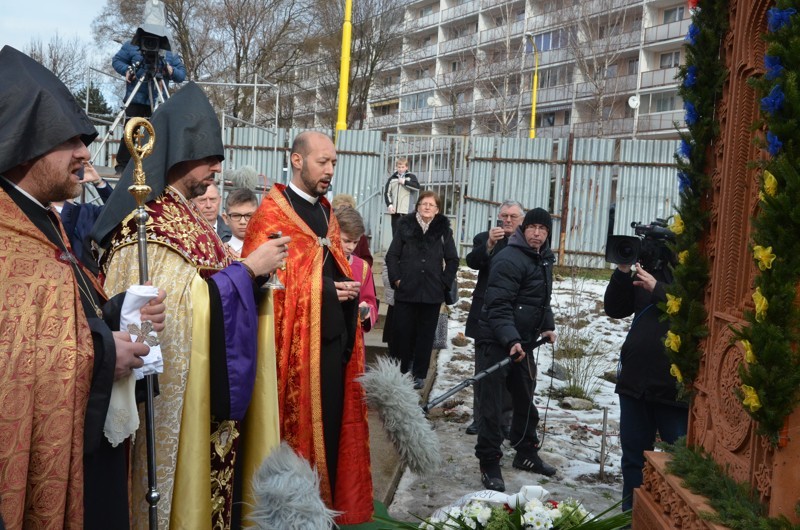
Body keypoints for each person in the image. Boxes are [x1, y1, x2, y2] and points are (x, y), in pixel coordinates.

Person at [91, 82, 289, 529]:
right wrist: (248, 270)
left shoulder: (185, 215)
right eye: (208, 158)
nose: (216, 168)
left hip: (212, 399)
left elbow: (209, 286)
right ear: (181, 153)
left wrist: (251, 277)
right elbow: (177, 309)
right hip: (172, 407)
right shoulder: (148, 223)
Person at [0, 45, 166, 529]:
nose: (85, 153)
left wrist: (119, 313)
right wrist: (102, 352)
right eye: (69, 140)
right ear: (24, 144)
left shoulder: (40, 218)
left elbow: (58, 318)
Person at [243, 131, 374, 526]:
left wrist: (343, 290)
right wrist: (326, 291)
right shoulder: (271, 216)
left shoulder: (327, 214)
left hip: (332, 350)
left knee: (332, 438)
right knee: (297, 448)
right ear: (297, 160)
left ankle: (326, 514)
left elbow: (327, 267)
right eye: (322, 162)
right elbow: (267, 290)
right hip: (295, 361)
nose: (329, 170)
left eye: (333, 162)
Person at [475, 207, 558, 492]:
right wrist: (511, 340)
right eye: (533, 227)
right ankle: (489, 462)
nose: (537, 233)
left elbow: (541, 299)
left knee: (525, 398)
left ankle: (526, 453)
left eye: (543, 229)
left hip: (523, 342)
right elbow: (498, 305)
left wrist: (547, 325)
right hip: (497, 341)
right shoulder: (509, 257)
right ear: (524, 229)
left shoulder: (543, 258)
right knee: (492, 406)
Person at [604, 251, 687, 513]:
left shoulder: (696, 270)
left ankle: (672, 519)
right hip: (635, 380)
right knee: (633, 458)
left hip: (673, 386)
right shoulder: (647, 269)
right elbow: (615, 308)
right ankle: (630, 518)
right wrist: (622, 272)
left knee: (679, 460)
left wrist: (658, 289)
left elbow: (699, 308)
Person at [385, 190, 459, 389]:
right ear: (417, 206)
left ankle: (419, 373)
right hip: (406, 291)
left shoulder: (443, 231)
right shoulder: (405, 226)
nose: (427, 207)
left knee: (425, 336)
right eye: (423, 203)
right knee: (402, 333)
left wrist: (444, 283)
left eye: (431, 204)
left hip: (432, 292)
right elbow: (392, 255)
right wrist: (397, 280)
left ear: (437, 209)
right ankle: (400, 371)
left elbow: (453, 259)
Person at [464, 200, 525, 436]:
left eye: (513, 216)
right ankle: (480, 418)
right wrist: (489, 244)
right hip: (485, 314)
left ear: (521, 220)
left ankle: (505, 421)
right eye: (504, 216)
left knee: (510, 371)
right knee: (483, 371)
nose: (507, 220)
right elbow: (472, 262)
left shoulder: (526, 243)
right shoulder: (485, 238)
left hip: (515, 315)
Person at [112, 37, 186, 174]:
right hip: (135, 98)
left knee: (158, 134)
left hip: (159, 100)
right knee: (130, 132)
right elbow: (117, 61)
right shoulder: (132, 45)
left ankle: (153, 168)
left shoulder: (169, 50)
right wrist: (128, 70)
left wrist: (170, 70)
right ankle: (122, 166)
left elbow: (181, 75)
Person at [51, 161, 114, 270]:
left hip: (92, 276)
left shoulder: (87, 210)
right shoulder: (44, 213)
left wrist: (98, 182)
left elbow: (118, 212)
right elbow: (63, 234)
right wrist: (69, 195)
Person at [336, 206, 379, 333]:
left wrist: (366, 311)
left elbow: (371, 302)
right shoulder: (320, 261)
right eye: (346, 241)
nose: (351, 247)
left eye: (355, 242)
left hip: (353, 333)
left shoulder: (363, 267)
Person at [332, 193, 374, 266]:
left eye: (348, 209)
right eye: (342, 208)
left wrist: (357, 266)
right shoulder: (329, 231)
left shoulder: (360, 235)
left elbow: (367, 259)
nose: (351, 247)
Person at [383, 157, 420, 236]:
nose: (400, 169)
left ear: (406, 167)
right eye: (399, 167)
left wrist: (405, 182)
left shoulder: (411, 177)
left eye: (402, 167)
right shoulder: (392, 178)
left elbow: (417, 187)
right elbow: (387, 193)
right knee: (395, 234)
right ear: (396, 167)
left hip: (407, 211)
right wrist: (389, 205)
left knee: (407, 234)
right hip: (395, 212)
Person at [222, 187, 259, 258]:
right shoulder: (219, 254)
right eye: (236, 216)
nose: (243, 222)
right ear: (226, 218)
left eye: (249, 215)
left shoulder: (268, 251)